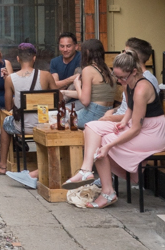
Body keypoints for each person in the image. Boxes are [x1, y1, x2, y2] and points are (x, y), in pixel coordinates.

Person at [63, 51, 165, 208]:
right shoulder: (128, 83)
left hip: (153, 131)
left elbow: (137, 129)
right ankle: (86, 170)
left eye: (122, 77)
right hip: (137, 125)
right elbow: (130, 108)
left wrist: (109, 146)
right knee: (92, 127)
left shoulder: (141, 89)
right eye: (117, 77)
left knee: (104, 141)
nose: (119, 80)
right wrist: (124, 121)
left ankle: (107, 192)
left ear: (134, 72)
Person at [0, 42, 53, 176]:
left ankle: (3, 165)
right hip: (45, 125)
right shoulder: (46, 75)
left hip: (23, 127)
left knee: (6, 123)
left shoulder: (10, 79)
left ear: (18, 59)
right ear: (34, 58)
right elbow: (59, 99)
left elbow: (9, 107)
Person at [63, 38, 116, 128]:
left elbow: (85, 101)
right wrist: (64, 92)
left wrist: (77, 85)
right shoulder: (107, 69)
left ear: (87, 52)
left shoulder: (88, 70)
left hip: (92, 115)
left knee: (57, 115)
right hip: (106, 112)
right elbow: (93, 94)